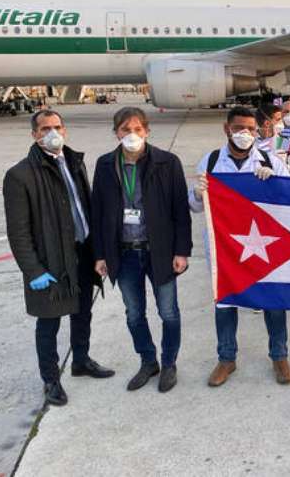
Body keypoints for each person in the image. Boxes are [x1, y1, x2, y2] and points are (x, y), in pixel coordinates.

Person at [3, 110, 114, 406]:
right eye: (44, 129)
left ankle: (81, 360)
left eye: (56, 127)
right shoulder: (20, 175)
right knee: (49, 322)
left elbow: (85, 207)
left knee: (82, 312)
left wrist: (97, 251)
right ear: (34, 135)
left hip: (81, 251)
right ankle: (50, 379)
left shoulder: (75, 162)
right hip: (50, 260)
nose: (51, 132)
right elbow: (18, 231)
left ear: (64, 130)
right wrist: (33, 270)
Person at [189, 106, 290, 387]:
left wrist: (274, 183)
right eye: (239, 128)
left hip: (264, 246)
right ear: (227, 129)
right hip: (226, 249)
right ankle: (227, 358)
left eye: (250, 129)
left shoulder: (270, 160)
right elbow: (196, 206)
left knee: (273, 301)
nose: (245, 134)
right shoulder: (211, 161)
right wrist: (198, 193)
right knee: (225, 303)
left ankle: (279, 355)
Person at [91, 107, 192, 393]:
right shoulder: (105, 165)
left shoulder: (167, 162)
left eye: (137, 129)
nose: (131, 135)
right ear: (116, 133)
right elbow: (97, 212)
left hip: (159, 250)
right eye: (125, 130)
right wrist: (100, 254)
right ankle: (148, 361)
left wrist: (181, 251)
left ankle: (169, 362)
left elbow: (180, 211)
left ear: (146, 131)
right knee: (134, 313)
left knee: (168, 312)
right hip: (124, 252)